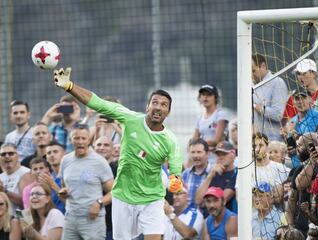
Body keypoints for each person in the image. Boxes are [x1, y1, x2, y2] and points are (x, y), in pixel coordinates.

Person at [52, 67, 183, 240]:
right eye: (155, 102)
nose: (158, 107)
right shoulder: (130, 119)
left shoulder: (170, 140)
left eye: (164, 104)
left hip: (152, 199)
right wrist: (69, 86)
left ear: (168, 112)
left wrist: (175, 181)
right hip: (123, 196)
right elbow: (98, 103)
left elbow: (175, 171)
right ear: (148, 106)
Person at [57, 123, 114, 240]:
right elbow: (65, 187)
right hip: (70, 218)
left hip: (92, 220)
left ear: (89, 140)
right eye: (76, 138)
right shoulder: (65, 160)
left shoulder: (99, 162)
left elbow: (114, 192)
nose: (80, 141)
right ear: (70, 140)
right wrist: (64, 192)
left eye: (83, 138)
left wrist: (99, 202)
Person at [252, 53, 288, 141]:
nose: (251, 75)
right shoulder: (251, 86)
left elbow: (278, 115)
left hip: (274, 143)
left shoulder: (277, 82)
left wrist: (255, 106)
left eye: (253, 71)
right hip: (258, 143)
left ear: (263, 66)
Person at [195, 141, 237, 213]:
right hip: (209, 219)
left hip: (228, 219)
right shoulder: (213, 173)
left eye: (224, 154)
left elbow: (222, 200)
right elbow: (198, 200)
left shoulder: (237, 173)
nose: (220, 157)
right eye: (218, 155)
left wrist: (205, 202)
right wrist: (210, 176)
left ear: (233, 154)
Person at [192, 84, 229, 164]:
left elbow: (216, 140)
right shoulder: (199, 118)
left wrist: (199, 144)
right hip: (204, 161)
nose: (205, 97)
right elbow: (193, 140)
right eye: (203, 94)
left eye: (209, 95)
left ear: (215, 97)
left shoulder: (220, 114)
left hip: (219, 160)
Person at [0, 143, 33, 215]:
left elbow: (26, 203)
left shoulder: (26, 173)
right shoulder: (1, 177)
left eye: (11, 153)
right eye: (3, 154)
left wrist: (4, 191)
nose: (7, 156)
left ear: (17, 156)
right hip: (4, 220)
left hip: (21, 217)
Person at [182, 138, 212, 209]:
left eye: (199, 152)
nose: (195, 156)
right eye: (192, 152)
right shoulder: (185, 174)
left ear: (207, 154)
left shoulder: (214, 173)